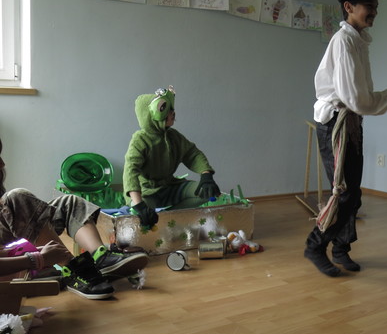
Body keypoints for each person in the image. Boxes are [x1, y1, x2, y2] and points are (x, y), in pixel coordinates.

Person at [303, 0, 387, 277]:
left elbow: (360, 97)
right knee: (343, 192)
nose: (374, 12)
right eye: (369, 6)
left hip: (350, 122)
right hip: (337, 122)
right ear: (349, 7)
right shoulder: (343, 41)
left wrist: (382, 99)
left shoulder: (358, 41)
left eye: (376, 7)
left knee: (353, 193)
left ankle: (341, 248)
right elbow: (355, 98)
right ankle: (315, 246)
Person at [0, 137, 148, 299]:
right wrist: (36, 259)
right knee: (16, 198)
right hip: (10, 257)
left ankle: (101, 257)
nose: (2, 163)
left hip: (13, 244)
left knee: (69, 202)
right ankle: (74, 268)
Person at [123, 86, 221, 229]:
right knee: (141, 214)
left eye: (171, 109)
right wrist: (139, 206)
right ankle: (151, 212)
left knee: (207, 193)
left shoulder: (173, 136)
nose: (172, 113)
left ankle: (167, 216)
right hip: (147, 193)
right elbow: (130, 171)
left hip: (169, 187)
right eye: (166, 110)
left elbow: (192, 154)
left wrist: (206, 175)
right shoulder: (140, 140)